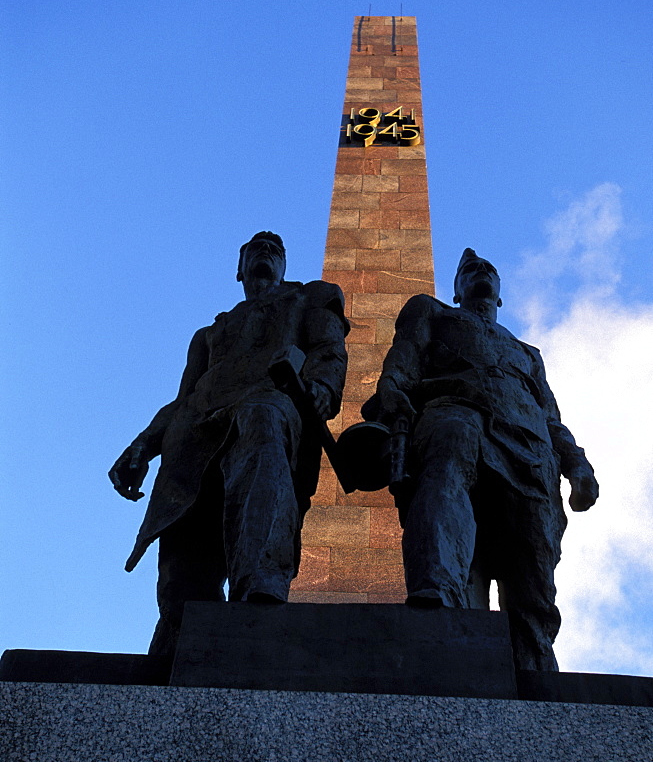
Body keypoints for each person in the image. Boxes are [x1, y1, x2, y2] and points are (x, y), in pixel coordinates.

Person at [109, 232, 348, 656]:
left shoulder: (311, 298)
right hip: (196, 430)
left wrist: (323, 389)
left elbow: (329, 351)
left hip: (268, 406)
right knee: (182, 558)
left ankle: (259, 596)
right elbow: (184, 399)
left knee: (262, 426)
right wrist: (144, 444)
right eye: (256, 250)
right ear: (239, 269)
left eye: (275, 251)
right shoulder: (208, 335)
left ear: (284, 266)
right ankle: (180, 636)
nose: (266, 254)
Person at [363, 248, 598, 670]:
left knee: (533, 564)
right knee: (448, 468)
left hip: (529, 451)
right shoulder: (433, 314)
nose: (480, 273)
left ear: (500, 295)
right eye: (469, 270)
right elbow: (402, 362)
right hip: (456, 411)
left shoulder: (527, 353)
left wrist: (577, 464)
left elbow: (550, 418)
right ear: (456, 291)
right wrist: (392, 398)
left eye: (488, 269)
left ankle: (534, 661)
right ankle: (437, 599)